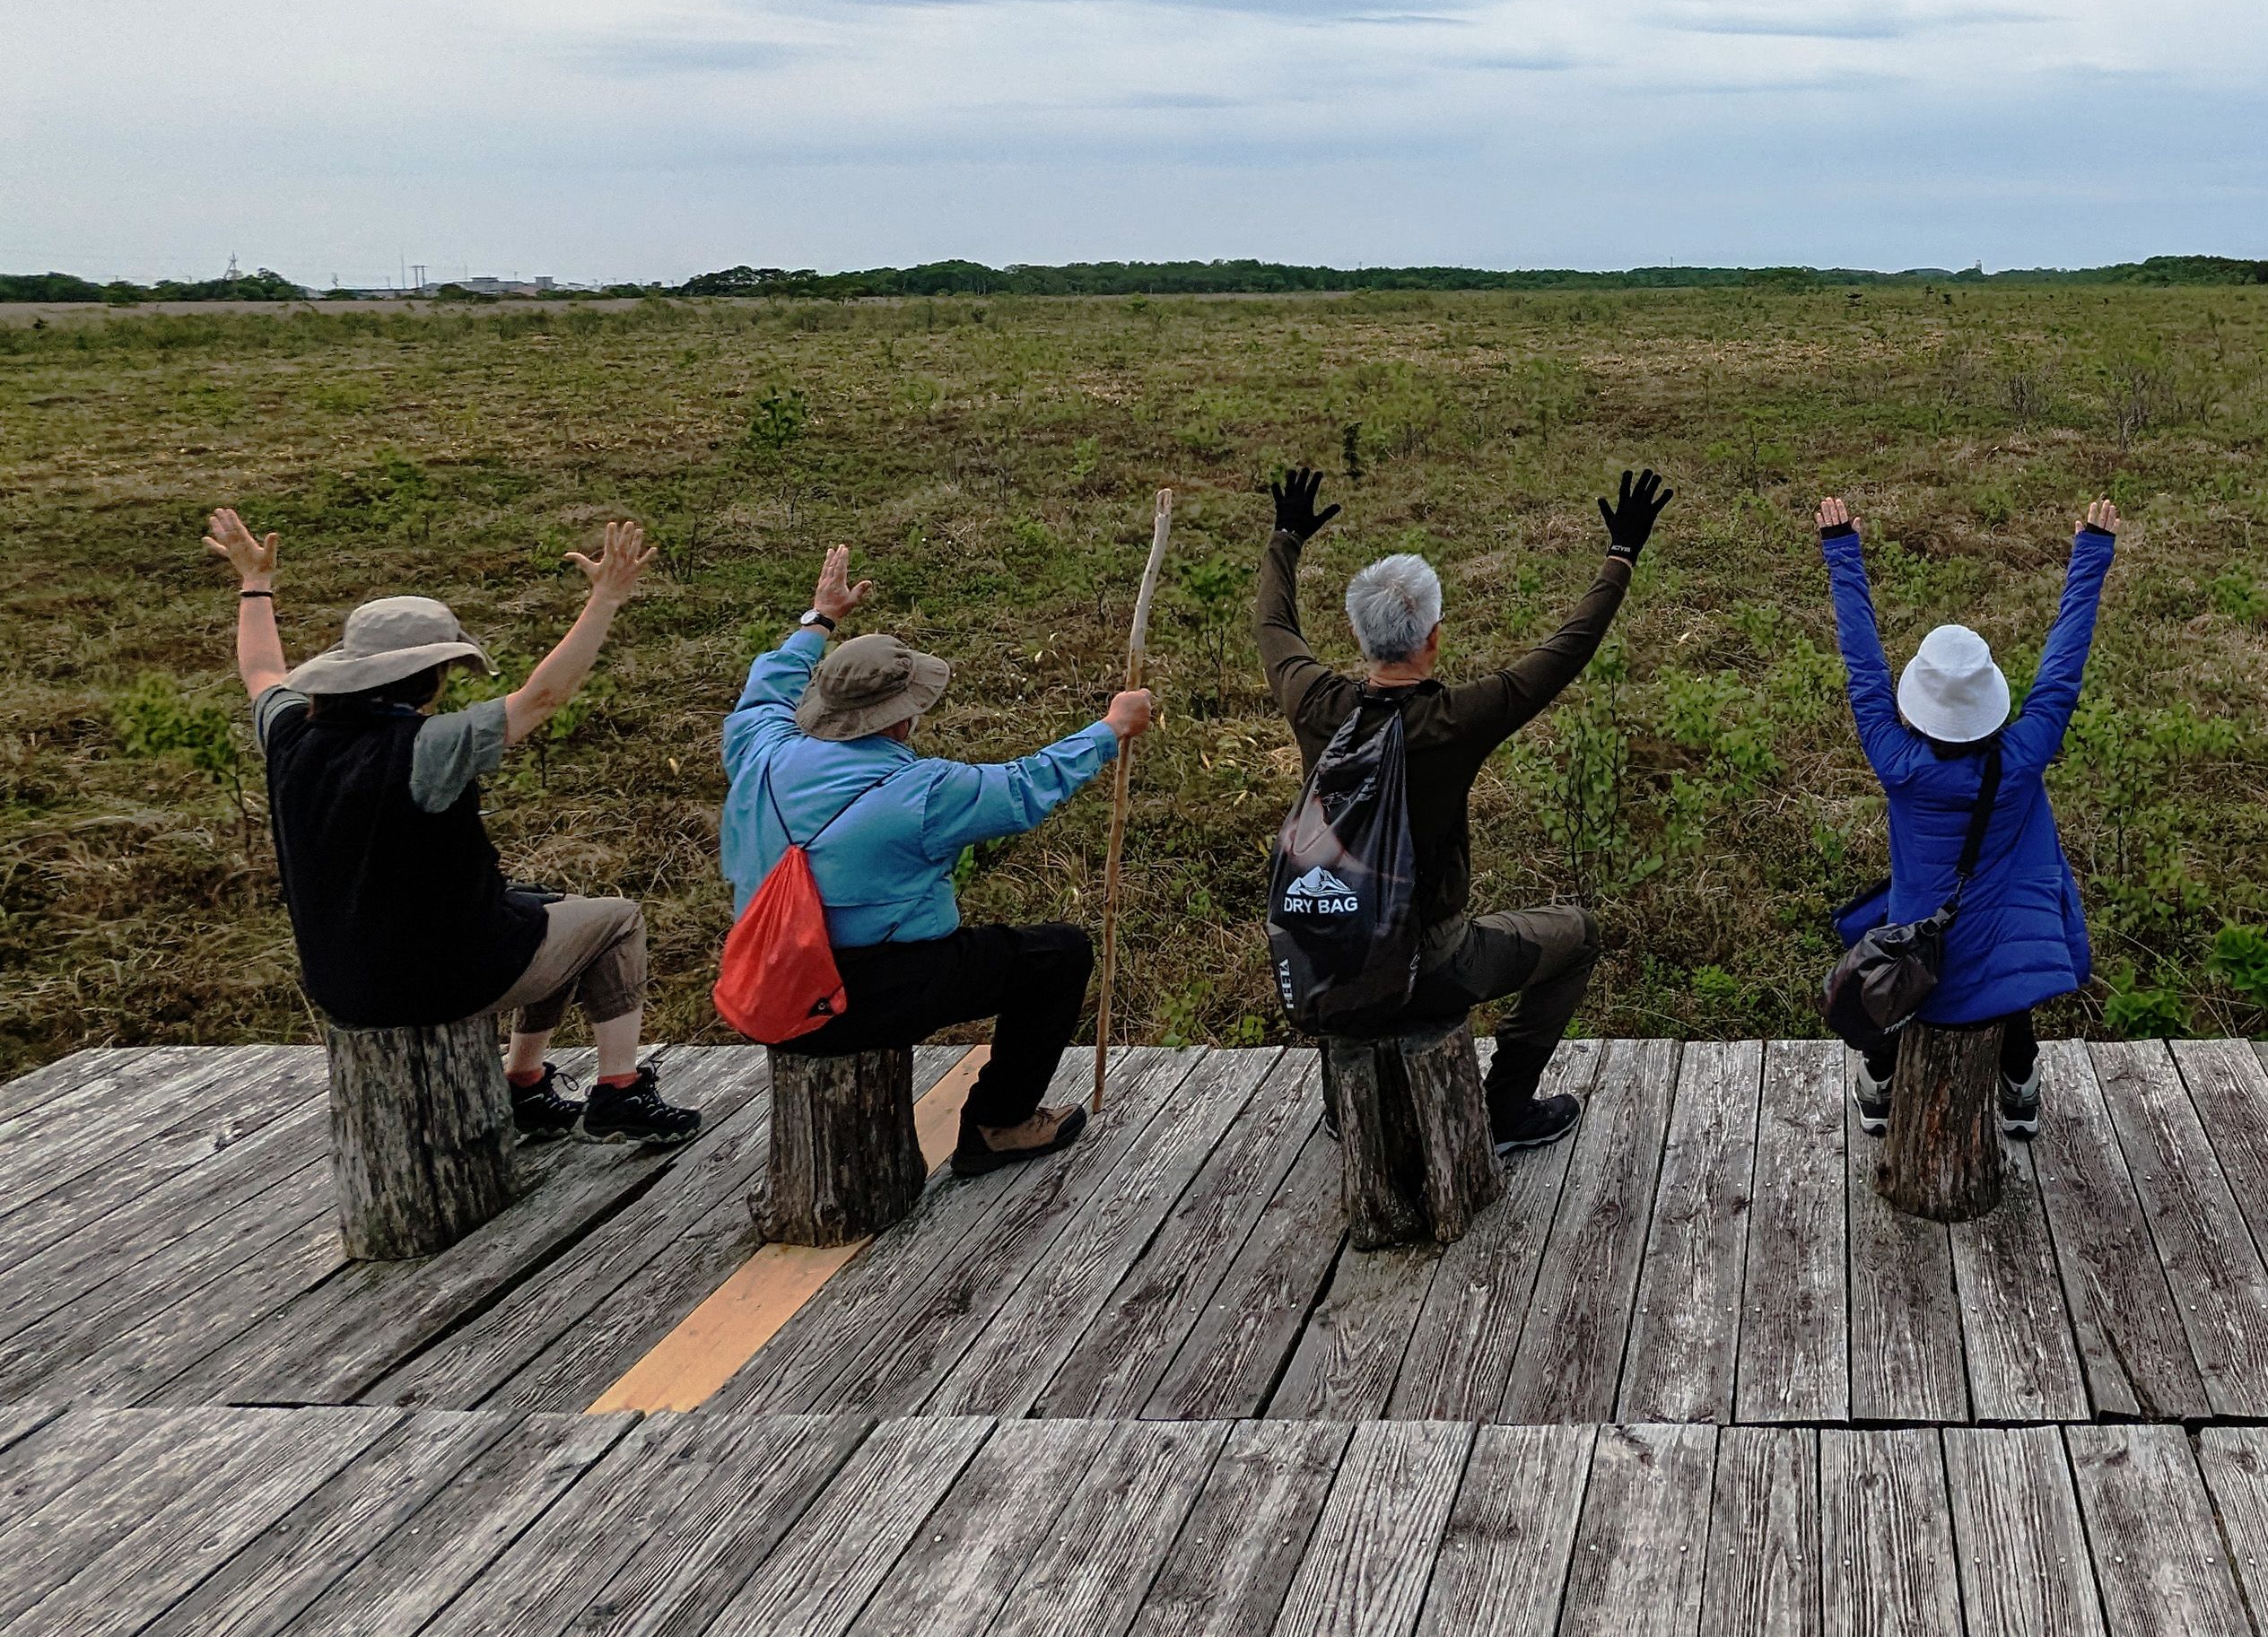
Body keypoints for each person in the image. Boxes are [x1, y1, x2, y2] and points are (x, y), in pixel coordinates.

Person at [205, 506, 703, 1145]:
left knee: (546, 908)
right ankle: (619, 1089)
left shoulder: (290, 733)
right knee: (615, 920)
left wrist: (255, 582)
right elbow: (542, 697)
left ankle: (522, 1083)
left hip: (343, 983)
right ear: (432, 673)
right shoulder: (430, 745)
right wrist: (606, 598)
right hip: (439, 980)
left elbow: (260, 671)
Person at [1256, 463, 1670, 1152]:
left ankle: (1345, 1106)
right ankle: (1505, 1109)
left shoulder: (1315, 703)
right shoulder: (1454, 720)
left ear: (1359, 637)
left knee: (1341, 923)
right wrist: (1620, 554)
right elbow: (1564, 651)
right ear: (1433, 637)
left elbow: (1273, 624)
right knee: (1579, 935)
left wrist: (1286, 536)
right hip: (1433, 964)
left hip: (1326, 963)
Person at [720, 544, 1156, 1176]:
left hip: (764, 982)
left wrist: (818, 619)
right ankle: (998, 1124)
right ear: (900, 718)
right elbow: (1024, 787)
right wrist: (1110, 729)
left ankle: (992, 1122)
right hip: (854, 999)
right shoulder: (921, 792)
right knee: (1057, 956)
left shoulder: (759, 746)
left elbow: (768, 686)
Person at [1819, 494, 2120, 1137]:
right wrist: (2090, 552)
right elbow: (2061, 673)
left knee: (1910, 971)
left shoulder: (1896, 758)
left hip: (1917, 969)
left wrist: (1843, 550)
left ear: (1919, 704)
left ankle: (1877, 1088)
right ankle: (2020, 1095)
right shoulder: (2023, 755)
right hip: (2000, 973)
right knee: (1998, 975)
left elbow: (1864, 671)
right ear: (1990, 700)